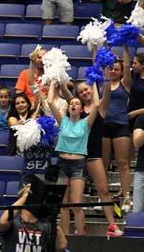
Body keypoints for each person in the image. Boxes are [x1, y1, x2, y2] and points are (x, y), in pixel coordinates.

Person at [47, 79, 99, 236]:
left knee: (76, 204)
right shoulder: (63, 121)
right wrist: (53, 82)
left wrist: (93, 83)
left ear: (81, 108)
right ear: (69, 108)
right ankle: (64, 237)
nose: (74, 105)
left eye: (77, 103)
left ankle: (80, 235)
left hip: (78, 165)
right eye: (71, 103)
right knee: (63, 204)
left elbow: (96, 105)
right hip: (61, 163)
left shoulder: (86, 123)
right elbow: (50, 102)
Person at [74, 81, 123, 237]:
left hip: (94, 154)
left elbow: (106, 92)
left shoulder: (100, 107)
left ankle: (112, 225)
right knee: (76, 197)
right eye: (81, 92)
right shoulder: (76, 108)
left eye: (86, 89)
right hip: (78, 155)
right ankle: (80, 227)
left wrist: (96, 80)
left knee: (104, 190)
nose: (84, 93)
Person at [101, 49, 134, 213]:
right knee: (103, 163)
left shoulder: (125, 84)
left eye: (116, 69)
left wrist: (125, 46)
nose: (113, 71)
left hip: (121, 125)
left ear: (121, 72)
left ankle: (127, 196)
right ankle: (102, 196)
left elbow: (127, 66)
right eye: (111, 68)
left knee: (123, 163)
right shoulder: (104, 84)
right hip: (104, 125)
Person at [0, 177, 68, 252]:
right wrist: (25, 197)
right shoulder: (14, 222)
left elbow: (61, 246)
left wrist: (53, 222)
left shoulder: (46, 225)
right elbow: (3, 222)